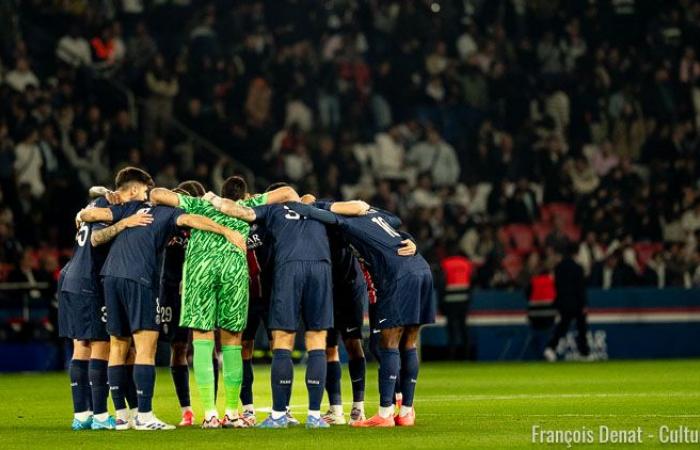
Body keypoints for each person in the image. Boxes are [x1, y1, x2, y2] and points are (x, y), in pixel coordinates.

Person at [79, 167, 244, 431]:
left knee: (118, 345)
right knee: (146, 347)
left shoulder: (129, 209)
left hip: (109, 276)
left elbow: (90, 214)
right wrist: (225, 230)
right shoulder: (165, 212)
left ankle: (121, 416)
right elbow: (192, 220)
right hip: (138, 278)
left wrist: (86, 214)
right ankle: (144, 416)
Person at [149, 176, 300, 429]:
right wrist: (253, 202)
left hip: (200, 271)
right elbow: (287, 192)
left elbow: (156, 194)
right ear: (243, 195)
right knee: (232, 343)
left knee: (202, 340)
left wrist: (197, 201)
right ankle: (231, 412)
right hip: (233, 271)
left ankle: (209, 414)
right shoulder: (245, 208)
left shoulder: (197, 205)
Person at [286, 201, 434, 427]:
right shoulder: (376, 214)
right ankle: (405, 411)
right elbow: (396, 222)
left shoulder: (348, 222)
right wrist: (410, 239)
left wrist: (290, 203)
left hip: (398, 274)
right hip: (421, 269)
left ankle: (385, 415)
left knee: (389, 344)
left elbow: (313, 212)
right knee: (409, 343)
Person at [203, 187, 335, 429]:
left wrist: (212, 198)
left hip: (287, 270)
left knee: (283, 340)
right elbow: (352, 213)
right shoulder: (317, 209)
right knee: (317, 339)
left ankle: (278, 416)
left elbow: (237, 210)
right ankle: (315, 416)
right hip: (321, 266)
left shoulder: (272, 210)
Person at [58, 190, 150, 430]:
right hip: (90, 281)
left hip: (70, 278)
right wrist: (124, 223)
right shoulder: (107, 214)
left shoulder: (93, 204)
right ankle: (99, 416)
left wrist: (104, 192)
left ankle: (82, 415)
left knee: (81, 347)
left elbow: (94, 191)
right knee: (101, 345)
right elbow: (96, 238)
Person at [544, 244, 590, 362]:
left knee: (563, 326)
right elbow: (580, 288)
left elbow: (556, 286)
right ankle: (584, 353)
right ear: (576, 253)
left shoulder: (558, 267)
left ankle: (550, 347)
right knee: (581, 327)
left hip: (563, 302)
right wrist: (584, 304)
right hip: (576, 303)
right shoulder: (578, 268)